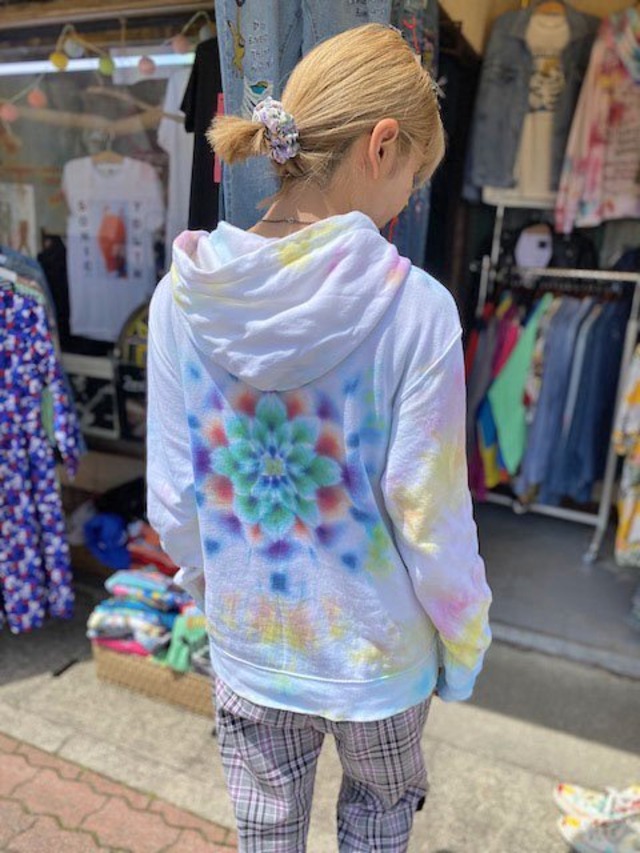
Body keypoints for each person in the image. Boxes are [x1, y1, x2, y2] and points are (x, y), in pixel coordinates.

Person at [147, 23, 492, 853]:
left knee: (265, 834)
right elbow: (432, 515)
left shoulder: (182, 299)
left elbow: (174, 497)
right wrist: (464, 644)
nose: (406, 199)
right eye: (413, 175)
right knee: (379, 820)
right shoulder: (416, 310)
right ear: (382, 145)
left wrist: (216, 586)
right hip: (380, 661)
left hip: (250, 650)